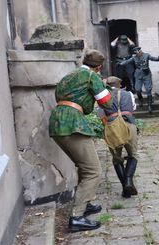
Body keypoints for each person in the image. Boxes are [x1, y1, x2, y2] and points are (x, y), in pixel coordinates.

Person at [49, 49, 113, 232]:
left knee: (83, 165)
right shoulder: (91, 76)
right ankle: (77, 217)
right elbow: (107, 102)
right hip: (72, 123)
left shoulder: (69, 76)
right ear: (98, 67)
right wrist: (106, 85)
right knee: (93, 170)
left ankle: (86, 203)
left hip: (57, 122)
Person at [98, 76, 138, 198]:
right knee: (133, 155)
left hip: (112, 126)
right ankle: (128, 181)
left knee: (117, 158)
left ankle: (125, 189)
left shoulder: (104, 97)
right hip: (129, 125)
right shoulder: (129, 94)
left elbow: (100, 114)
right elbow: (133, 108)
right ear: (120, 84)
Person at [120, 47, 159, 113]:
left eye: (138, 52)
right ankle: (140, 99)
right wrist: (121, 64)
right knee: (138, 89)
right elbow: (127, 61)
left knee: (148, 90)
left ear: (140, 51)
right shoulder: (134, 57)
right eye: (136, 53)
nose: (138, 54)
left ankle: (149, 105)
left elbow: (153, 58)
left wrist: (158, 58)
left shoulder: (146, 55)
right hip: (138, 75)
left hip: (146, 74)